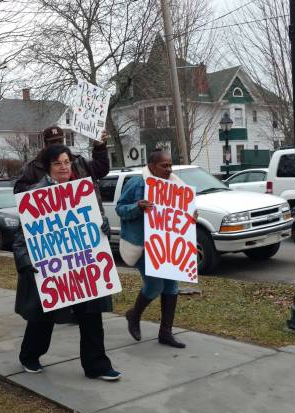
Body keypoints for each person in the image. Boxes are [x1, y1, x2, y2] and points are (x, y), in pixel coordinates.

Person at [13, 145, 121, 381]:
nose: (64, 167)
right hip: (51, 267)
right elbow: (22, 235)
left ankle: (97, 365)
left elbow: (95, 218)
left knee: (92, 315)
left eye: (67, 162)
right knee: (44, 318)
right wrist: (25, 261)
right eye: (58, 163)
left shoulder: (82, 190)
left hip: (83, 264)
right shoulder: (35, 195)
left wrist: (103, 225)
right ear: (48, 167)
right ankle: (30, 355)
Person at [115, 149, 187, 349]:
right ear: (152, 165)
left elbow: (181, 212)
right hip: (143, 245)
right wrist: (137, 207)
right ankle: (133, 315)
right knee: (155, 286)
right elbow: (120, 208)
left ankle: (166, 333)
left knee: (172, 287)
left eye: (170, 165)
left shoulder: (175, 186)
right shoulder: (137, 183)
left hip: (166, 244)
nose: (169, 169)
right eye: (164, 165)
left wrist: (191, 216)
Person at [13, 126, 110, 194]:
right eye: (53, 142)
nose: (57, 145)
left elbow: (101, 170)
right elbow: (19, 192)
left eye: (60, 141)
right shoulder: (33, 167)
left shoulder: (78, 162)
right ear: (45, 144)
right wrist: (46, 188)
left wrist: (99, 147)